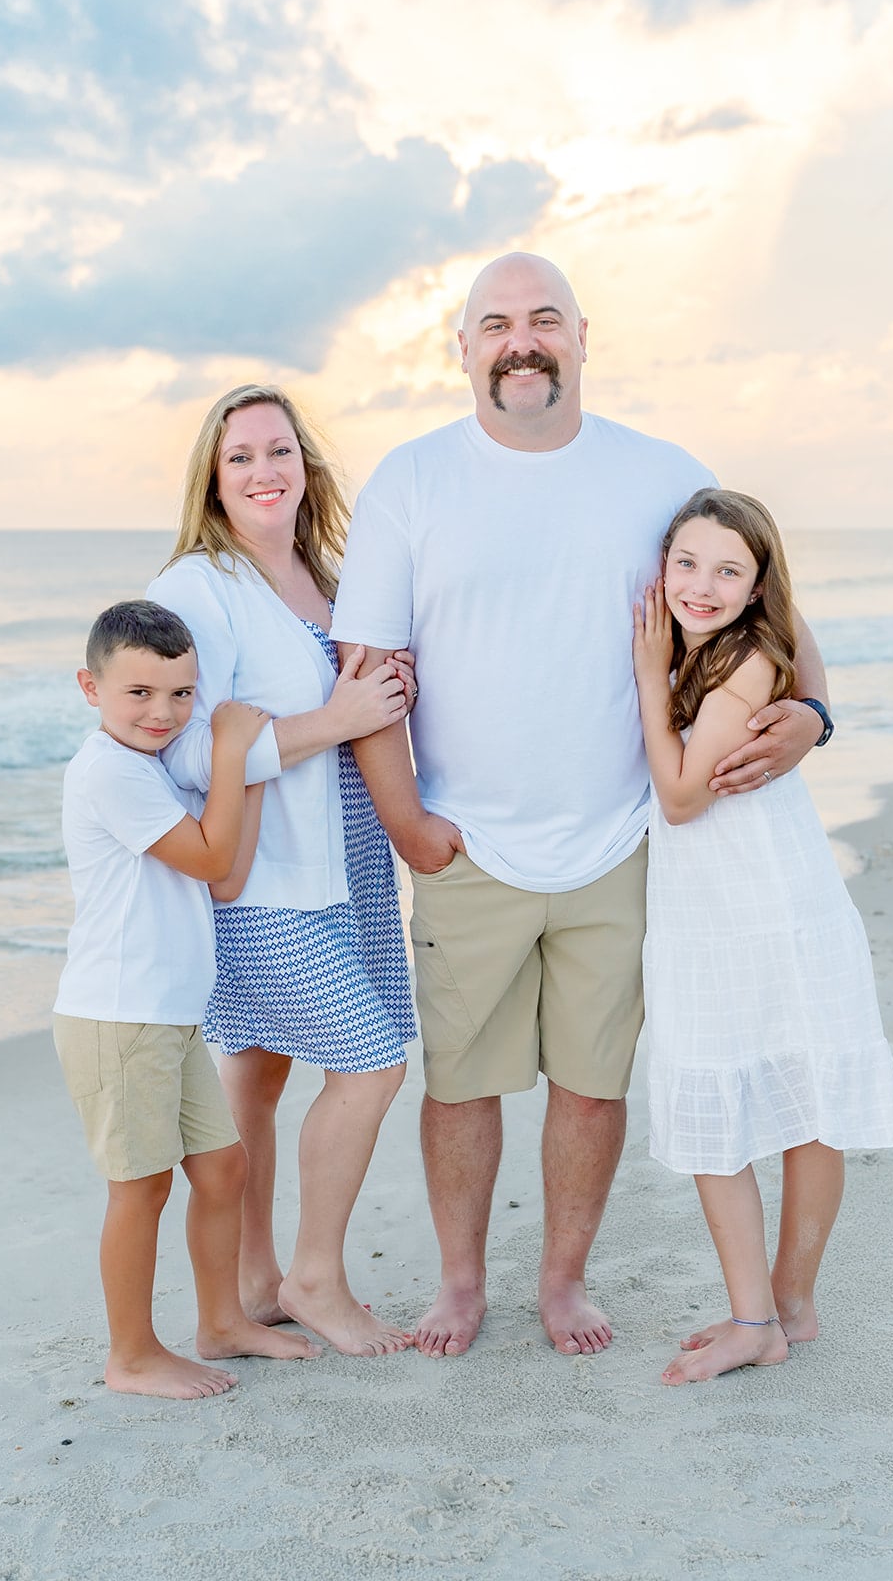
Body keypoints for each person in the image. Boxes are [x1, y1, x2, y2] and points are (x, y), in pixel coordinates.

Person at [331, 251, 832, 1358]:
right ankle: (461, 1285)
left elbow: (778, 611)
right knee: (460, 1086)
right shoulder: (413, 480)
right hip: (468, 840)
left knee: (591, 1087)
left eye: (543, 318)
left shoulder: (656, 472)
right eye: (497, 322)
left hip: (624, 837)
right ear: (460, 347)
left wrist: (812, 716)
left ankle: (563, 1282)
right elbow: (364, 669)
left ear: (581, 337)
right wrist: (408, 823)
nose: (522, 339)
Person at [146, 384, 418, 1357]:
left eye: (278, 450)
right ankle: (316, 1277)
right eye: (240, 458)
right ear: (212, 482)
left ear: (306, 463)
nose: (264, 471)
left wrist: (389, 695)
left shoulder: (329, 574)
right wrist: (336, 721)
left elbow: (367, 700)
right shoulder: (193, 589)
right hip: (261, 884)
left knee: (256, 1072)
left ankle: (251, 1282)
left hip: (349, 870)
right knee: (372, 1064)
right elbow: (181, 754)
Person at [633, 489, 893, 1385]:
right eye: (687, 564)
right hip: (750, 901)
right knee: (796, 1090)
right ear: (662, 562)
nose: (702, 585)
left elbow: (680, 798)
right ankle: (785, 1306)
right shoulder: (723, 644)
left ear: (758, 586)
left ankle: (761, 1316)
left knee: (754, 1099)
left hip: (746, 909)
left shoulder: (739, 661)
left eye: (727, 570)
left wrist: (645, 681)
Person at [54, 599, 321, 1399]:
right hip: (117, 1014)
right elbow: (210, 860)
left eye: (180, 694)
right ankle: (131, 1356)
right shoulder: (109, 771)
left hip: (167, 1016)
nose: (163, 712)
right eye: (139, 693)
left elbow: (227, 874)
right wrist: (235, 751)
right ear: (90, 688)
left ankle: (220, 1322)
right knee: (142, 1186)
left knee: (222, 1168)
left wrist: (254, 767)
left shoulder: (148, 768)